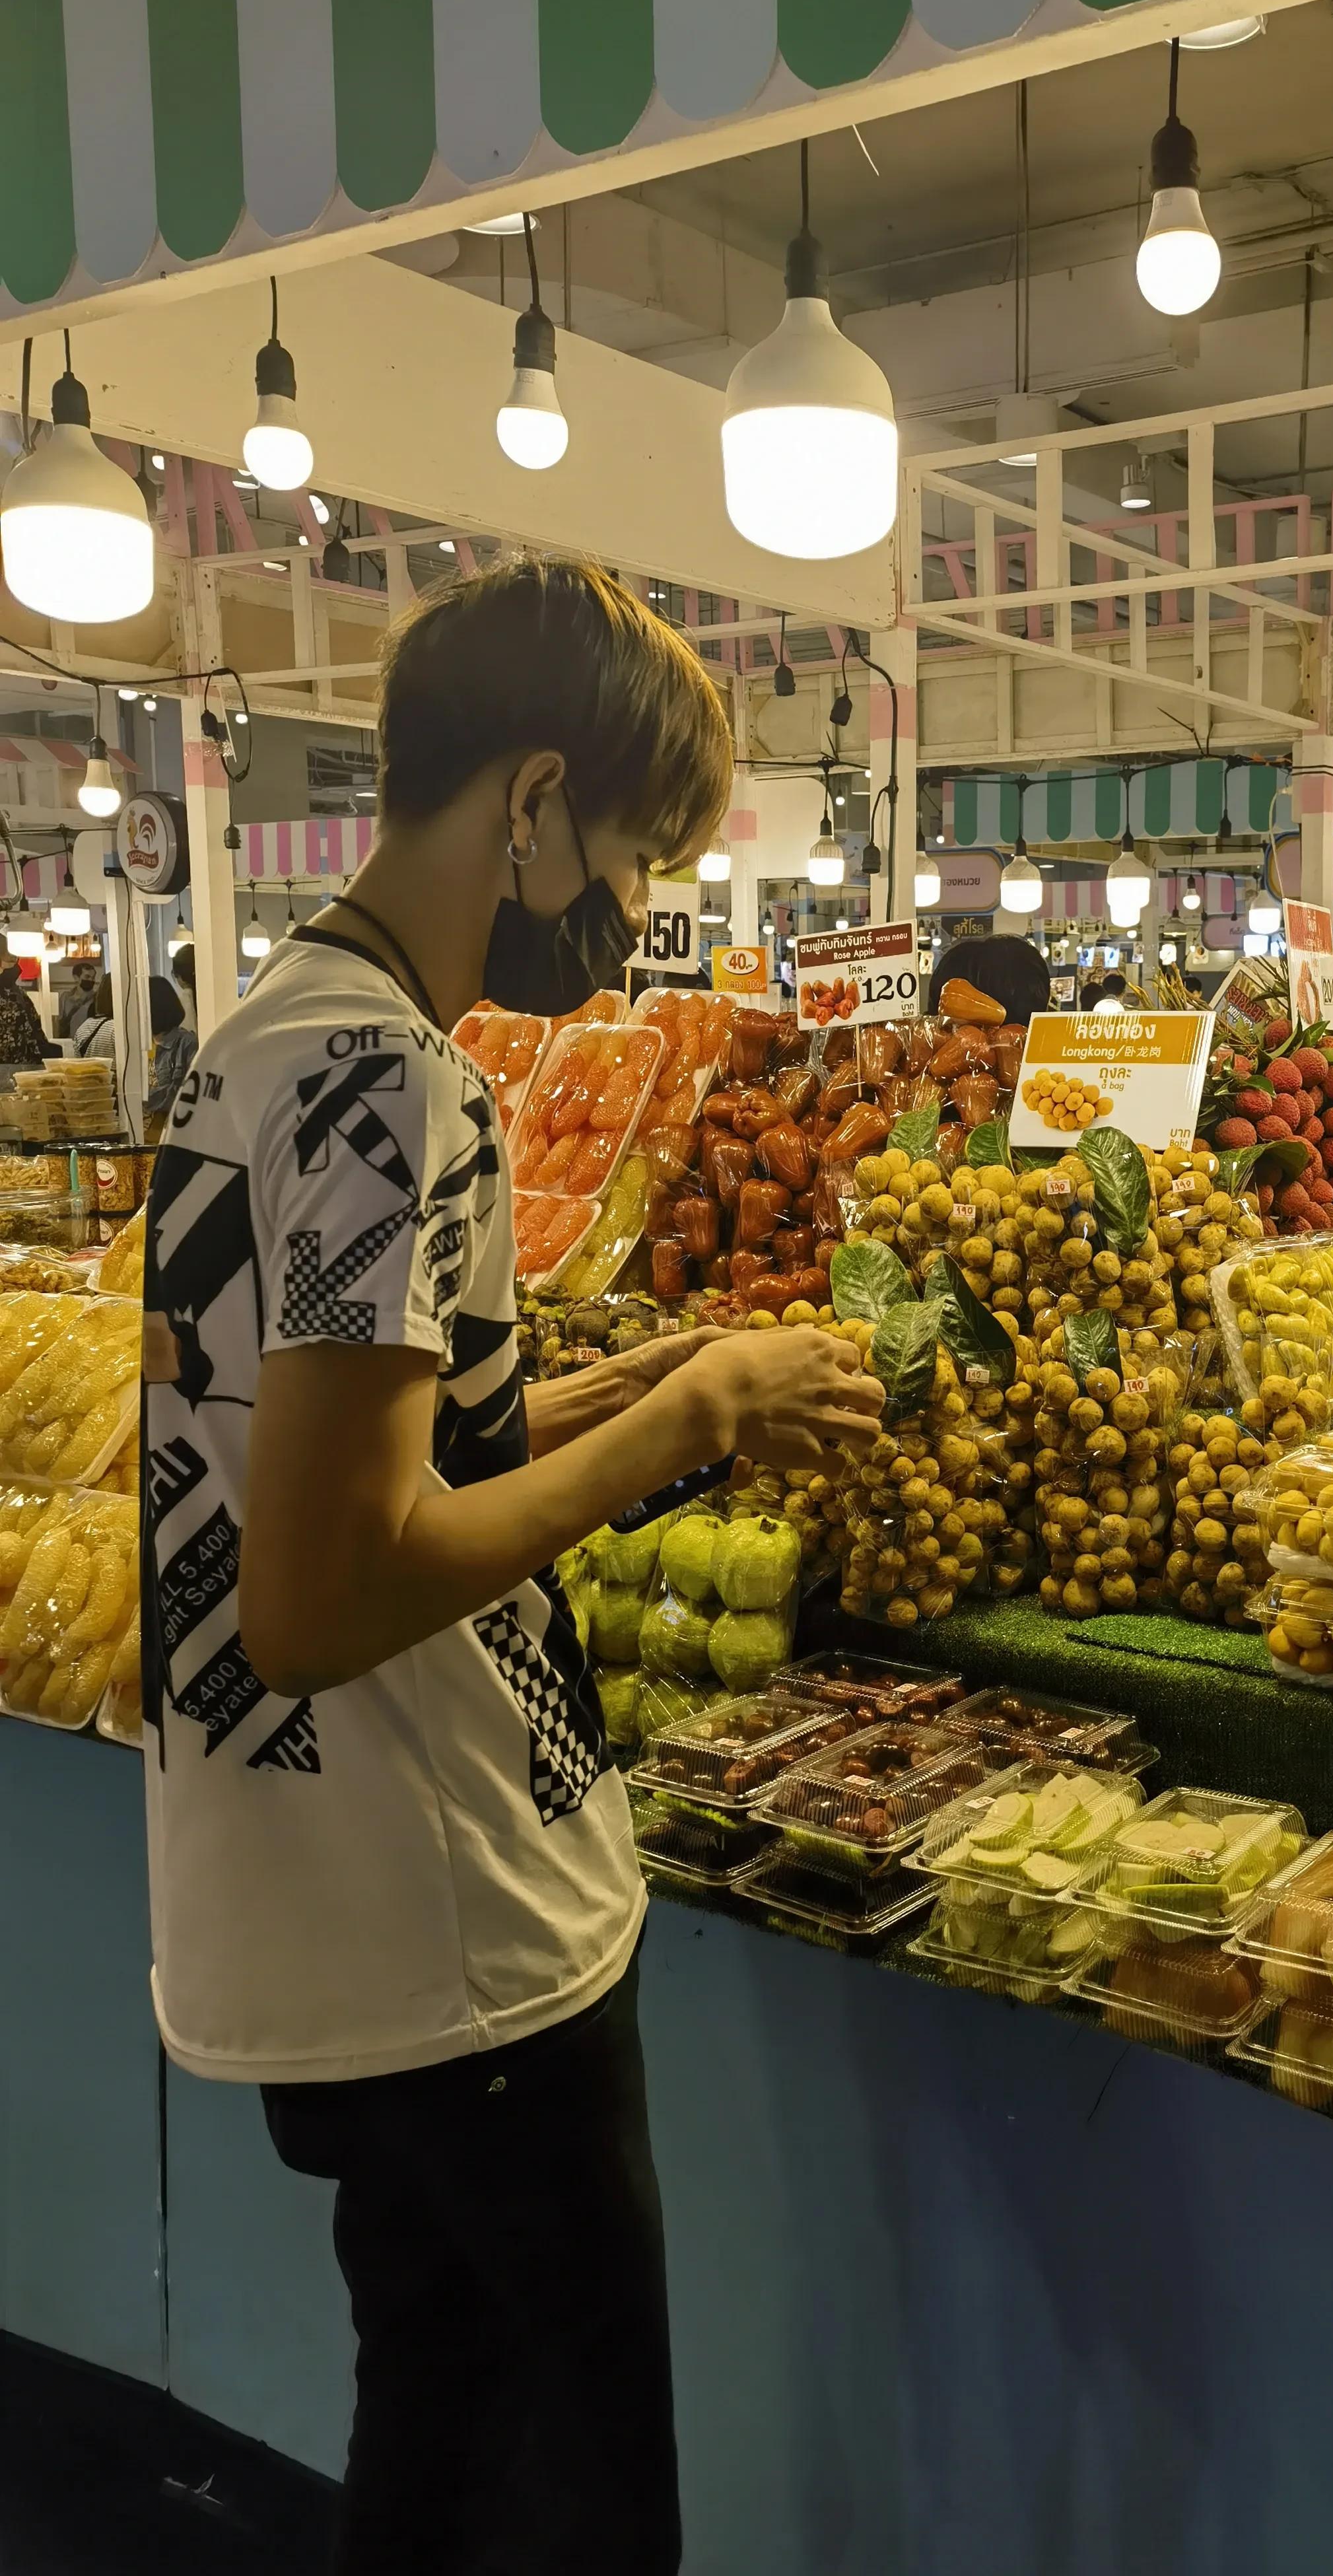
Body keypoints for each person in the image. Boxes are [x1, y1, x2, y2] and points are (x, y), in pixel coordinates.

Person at [140, 556, 886, 2576]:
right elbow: (319, 1596)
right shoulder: (402, 1087)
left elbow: (333, 1461)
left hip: (318, 1921)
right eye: (640, 857)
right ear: (535, 798)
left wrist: (612, 1379)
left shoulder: (263, 1038)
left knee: (436, 2421)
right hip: (451, 1926)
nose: (635, 918)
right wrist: (687, 1419)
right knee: (569, 2496)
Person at [142, 972, 195, 1134]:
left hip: (171, 1133)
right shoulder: (139, 1044)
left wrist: (141, 1097)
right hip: (142, 1134)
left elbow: (185, 1094)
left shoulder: (186, 1043)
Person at [0, 957, 51, 1067]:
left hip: (25, 1069)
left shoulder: (18, 994)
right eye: (9, 960)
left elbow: (36, 1030)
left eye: (14, 960)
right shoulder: (17, 994)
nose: (13, 965)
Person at [59, 959, 100, 1041]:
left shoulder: (97, 999)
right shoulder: (65, 998)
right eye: (87, 977)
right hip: (68, 1041)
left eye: (93, 978)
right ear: (76, 978)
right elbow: (59, 1022)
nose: (91, 980)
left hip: (86, 1042)